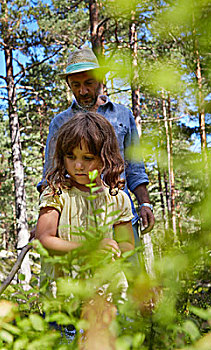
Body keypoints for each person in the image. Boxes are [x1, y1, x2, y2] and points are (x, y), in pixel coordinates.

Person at [37, 46, 155, 248]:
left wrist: (144, 203)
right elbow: (50, 175)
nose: (82, 91)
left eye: (88, 83)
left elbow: (135, 167)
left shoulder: (122, 115)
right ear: (69, 85)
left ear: (100, 80)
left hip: (121, 216)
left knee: (130, 271)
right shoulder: (60, 122)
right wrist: (46, 222)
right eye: (76, 85)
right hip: (74, 221)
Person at [35, 111, 135, 281]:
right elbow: (44, 239)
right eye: (70, 157)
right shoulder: (57, 193)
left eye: (87, 158)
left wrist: (113, 250)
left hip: (104, 287)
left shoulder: (117, 197)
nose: (78, 166)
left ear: (106, 159)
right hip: (64, 288)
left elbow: (127, 244)